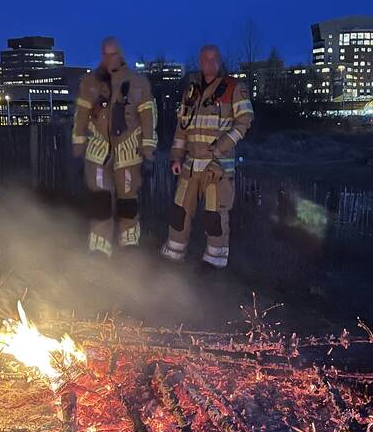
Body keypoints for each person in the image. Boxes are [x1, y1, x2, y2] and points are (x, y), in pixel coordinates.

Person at [160, 44, 253, 269]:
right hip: (190, 166)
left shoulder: (234, 88)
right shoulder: (191, 90)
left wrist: (221, 147)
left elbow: (245, 120)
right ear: (200, 61)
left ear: (220, 61)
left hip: (217, 168)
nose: (209, 63)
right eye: (205, 59)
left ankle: (213, 265)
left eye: (214, 58)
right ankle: (172, 256)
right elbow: (182, 129)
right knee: (179, 213)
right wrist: (176, 158)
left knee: (215, 219)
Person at [71, 37, 157, 257]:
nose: (109, 58)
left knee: (128, 204)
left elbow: (148, 119)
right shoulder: (90, 82)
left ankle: (129, 247)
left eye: (113, 54)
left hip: (129, 154)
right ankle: (100, 249)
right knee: (101, 204)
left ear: (121, 54)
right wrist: (77, 149)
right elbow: (80, 117)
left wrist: (148, 154)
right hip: (98, 153)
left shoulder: (138, 83)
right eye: (105, 54)